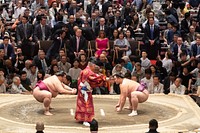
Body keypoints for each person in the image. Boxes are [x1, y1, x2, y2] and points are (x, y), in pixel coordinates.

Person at [75, 60, 106, 126]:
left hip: (83, 88)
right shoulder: (88, 72)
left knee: (82, 104)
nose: (95, 68)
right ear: (92, 65)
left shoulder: (84, 70)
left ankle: (81, 118)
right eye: (94, 66)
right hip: (85, 89)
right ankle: (86, 120)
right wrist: (103, 78)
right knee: (86, 104)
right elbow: (94, 79)